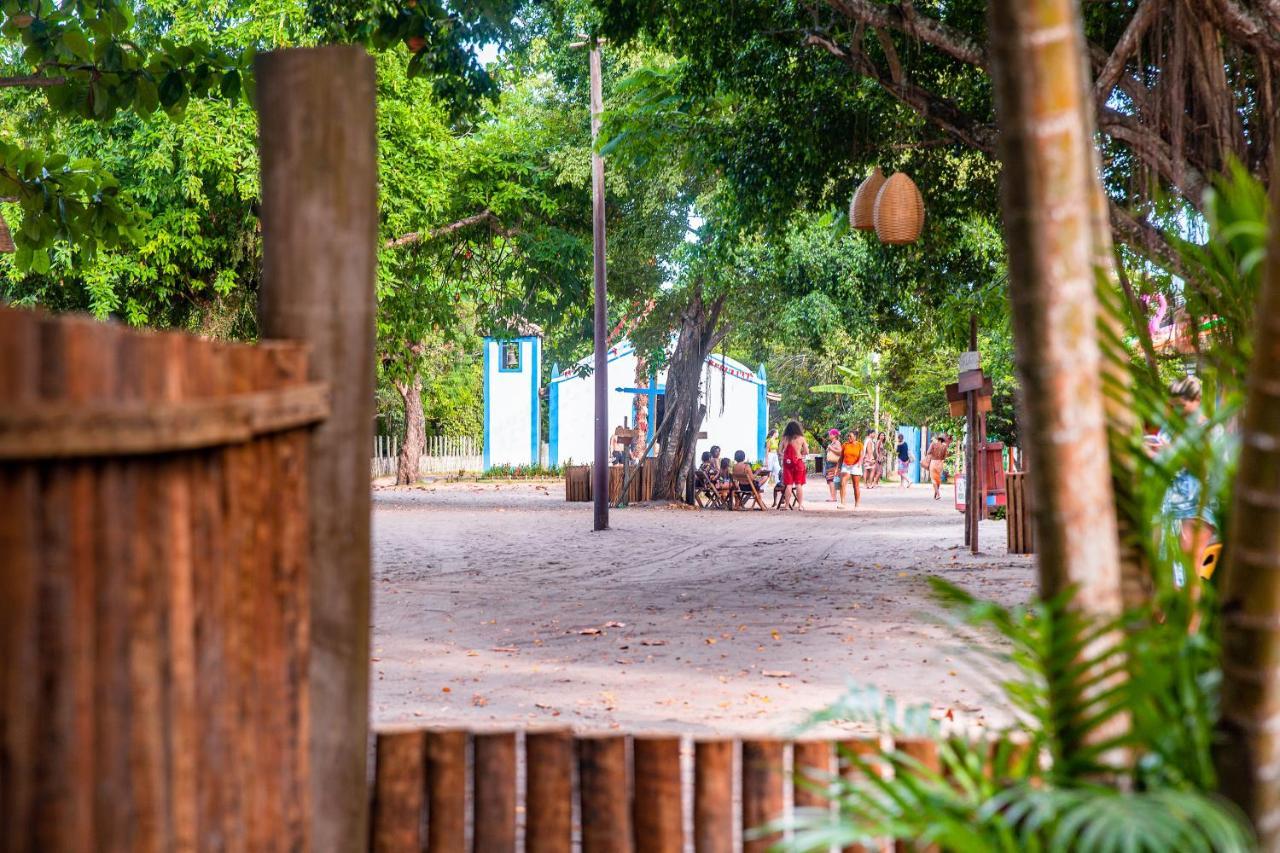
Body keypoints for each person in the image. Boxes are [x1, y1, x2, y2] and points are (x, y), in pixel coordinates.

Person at [1149, 376, 1219, 587]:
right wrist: (1151, 453)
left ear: (1197, 399)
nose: (1176, 411)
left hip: (1195, 508)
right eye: (1172, 406)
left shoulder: (1209, 430)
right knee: (1159, 574)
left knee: (1189, 575)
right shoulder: (1168, 430)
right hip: (1166, 508)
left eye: (1181, 405)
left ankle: (1191, 619)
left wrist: (1171, 452)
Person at [781, 420, 809, 509]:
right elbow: (806, 451)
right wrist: (800, 453)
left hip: (787, 464)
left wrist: (786, 456)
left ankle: (786, 505)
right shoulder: (801, 438)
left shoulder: (784, 438)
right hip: (798, 462)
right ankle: (800, 505)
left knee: (788, 484)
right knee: (798, 484)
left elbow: (780, 451)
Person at [838, 428, 864, 508]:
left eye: (850, 436)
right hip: (846, 466)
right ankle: (842, 503)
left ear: (855, 437)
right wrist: (838, 468)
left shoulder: (860, 445)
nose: (848, 438)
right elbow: (841, 457)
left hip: (856, 466)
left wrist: (860, 463)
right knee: (842, 483)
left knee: (855, 486)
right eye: (848, 436)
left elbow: (862, 455)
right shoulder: (845, 445)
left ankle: (857, 503)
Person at [926, 434, 950, 500]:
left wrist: (932, 454)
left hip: (933, 462)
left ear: (938, 439)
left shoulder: (933, 444)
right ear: (943, 440)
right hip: (940, 463)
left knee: (933, 480)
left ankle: (938, 494)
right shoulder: (944, 447)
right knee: (938, 480)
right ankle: (935, 495)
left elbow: (928, 452)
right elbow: (945, 456)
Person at [824, 428, 843, 501]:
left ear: (834, 435)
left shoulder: (837, 442)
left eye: (830, 434)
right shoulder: (833, 443)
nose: (829, 435)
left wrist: (831, 448)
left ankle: (833, 497)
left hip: (833, 463)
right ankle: (833, 496)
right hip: (830, 463)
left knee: (831, 480)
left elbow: (840, 452)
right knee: (830, 480)